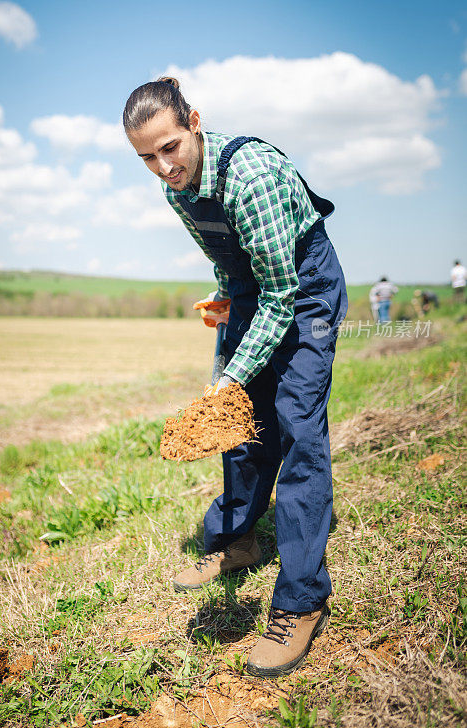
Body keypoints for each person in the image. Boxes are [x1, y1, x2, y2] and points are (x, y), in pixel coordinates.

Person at [122, 77, 348, 678]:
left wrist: (231, 373)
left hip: (303, 291)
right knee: (238, 424)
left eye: (170, 147)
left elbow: (281, 295)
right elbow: (232, 260)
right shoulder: (176, 192)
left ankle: (301, 599)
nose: (163, 167)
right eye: (146, 157)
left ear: (194, 121)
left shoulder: (249, 177)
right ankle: (237, 540)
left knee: (298, 428)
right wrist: (225, 299)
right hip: (258, 289)